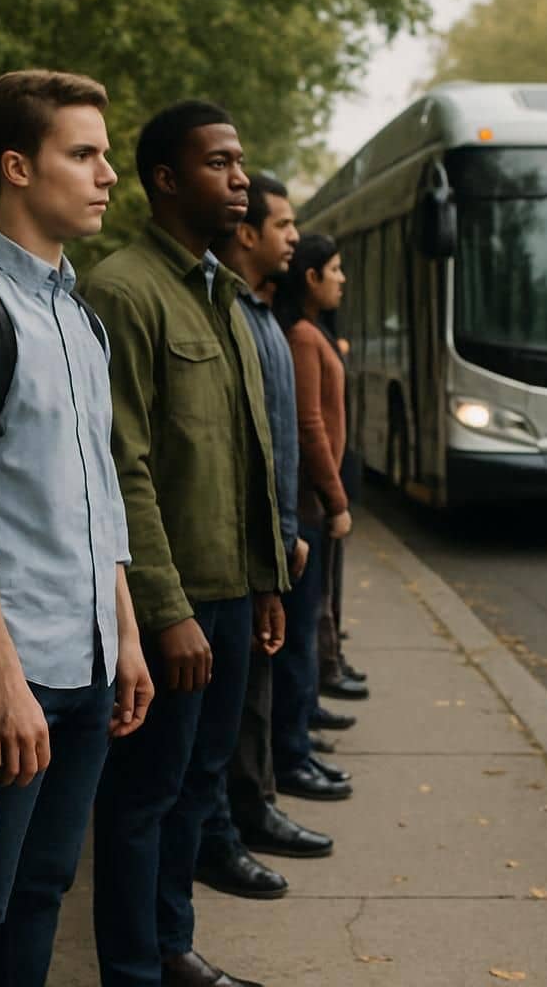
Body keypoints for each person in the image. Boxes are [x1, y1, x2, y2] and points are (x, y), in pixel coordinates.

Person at [0, 68, 155, 987]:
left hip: (89, 661)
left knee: (44, 891)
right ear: (17, 167)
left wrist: (125, 634)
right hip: (14, 673)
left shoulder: (83, 319)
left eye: (105, 154)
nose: (108, 174)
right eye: (84, 154)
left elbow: (100, 490)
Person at [83, 100, 288, 987]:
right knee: (144, 797)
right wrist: (165, 612)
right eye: (219, 163)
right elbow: (122, 462)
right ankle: (137, 968)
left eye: (240, 162)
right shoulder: (123, 291)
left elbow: (246, 451)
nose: (240, 178)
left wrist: (267, 578)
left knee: (199, 785)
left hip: (234, 591)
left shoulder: (221, 293)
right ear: (166, 179)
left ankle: (174, 950)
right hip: (177, 601)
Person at [195, 173, 344, 900]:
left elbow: (275, 435)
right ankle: (232, 824)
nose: (294, 237)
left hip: (270, 540)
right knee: (236, 707)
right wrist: (285, 527)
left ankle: (248, 809)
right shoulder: (233, 313)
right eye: (283, 225)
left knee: (251, 694)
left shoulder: (258, 316)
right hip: (238, 551)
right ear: (247, 233)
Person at [271, 234, 356, 795]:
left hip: (310, 505)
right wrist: (336, 499)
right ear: (310, 278)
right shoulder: (302, 337)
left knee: (307, 624)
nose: (342, 279)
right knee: (299, 632)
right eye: (335, 269)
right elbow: (309, 425)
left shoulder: (312, 332)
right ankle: (292, 753)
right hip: (305, 506)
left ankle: (300, 730)